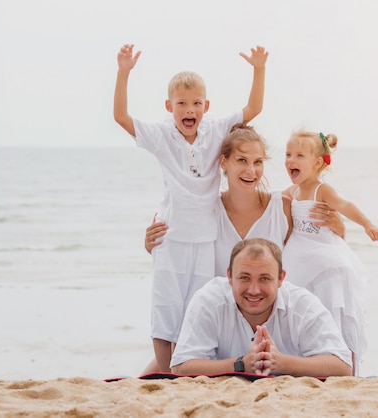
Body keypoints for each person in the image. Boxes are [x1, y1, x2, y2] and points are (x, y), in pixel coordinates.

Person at [141, 124, 346, 376]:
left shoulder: (281, 207)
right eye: (242, 161)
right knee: (157, 374)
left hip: (267, 317)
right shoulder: (204, 211)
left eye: (258, 162)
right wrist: (153, 244)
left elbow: (313, 246)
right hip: (218, 323)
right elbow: (179, 255)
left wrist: (339, 227)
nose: (251, 171)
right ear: (223, 162)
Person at [113, 43, 269, 373]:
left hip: (205, 237)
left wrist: (258, 68)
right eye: (182, 103)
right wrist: (124, 73)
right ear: (169, 106)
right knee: (166, 307)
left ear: (206, 106)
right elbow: (121, 118)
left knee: (196, 307)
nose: (189, 109)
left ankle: (185, 367)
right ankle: (168, 371)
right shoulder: (161, 136)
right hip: (170, 236)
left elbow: (253, 108)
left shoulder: (215, 131)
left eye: (196, 103)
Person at [170, 238, 353, 377]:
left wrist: (281, 363)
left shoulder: (302, 305)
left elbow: (343, 366)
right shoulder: (208, 300)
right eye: (244, 278)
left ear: (281, 278)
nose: (254, 290)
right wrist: (241, 364)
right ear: (230, 277)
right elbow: (180, 366)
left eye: (264, 278)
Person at [282, 130, 378, 375]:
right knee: (301, 310)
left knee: (330, 309)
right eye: (287, 154)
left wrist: (367, 223)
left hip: (325, 259)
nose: (290, 160)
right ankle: (307, 363)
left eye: (299, 156)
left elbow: (345, 205)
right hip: (299, 257)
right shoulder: (292, 192)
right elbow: (267, 201)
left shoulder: (321, 189)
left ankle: (341, 364)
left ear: (317, 163)